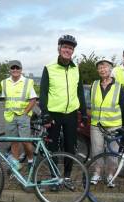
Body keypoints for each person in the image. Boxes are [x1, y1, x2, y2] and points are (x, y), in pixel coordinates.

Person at [39, 34, 87, 190]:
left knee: (70, 147)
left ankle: (66, 177)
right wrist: (44, 113)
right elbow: (43, 93)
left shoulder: (75, 68)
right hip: (54, 114)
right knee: (52, 148)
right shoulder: (49, 67)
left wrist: (84, 112)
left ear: (73, 51)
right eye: (65, 47)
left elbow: (79, 92)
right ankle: (54, 178)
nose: (68, 50)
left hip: (71, 114)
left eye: (70, 48)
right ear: (59, 48)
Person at [90, 59, 124, 188]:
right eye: (100, 67)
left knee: (113, 153)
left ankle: (111, 175)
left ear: (110, 70)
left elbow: (123, 105)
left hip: (113, 125)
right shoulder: (94, 84)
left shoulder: (118, 86)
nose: (102, 69)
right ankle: (97, 173)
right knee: (97, 151)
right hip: (96, 125)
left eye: (105, 67)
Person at [1, 60, 37, 171]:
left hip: (23, 116)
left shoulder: (27, 82)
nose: (15, 70)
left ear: (21, 70)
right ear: (10, 70)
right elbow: (6, 99)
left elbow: (33, 99)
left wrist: (25, 112)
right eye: (13, 68)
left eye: (17, 68)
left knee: (25, 141)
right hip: (10, 116)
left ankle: (30, 159)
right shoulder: (4, 82)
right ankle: (16, 164)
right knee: (13, 141)